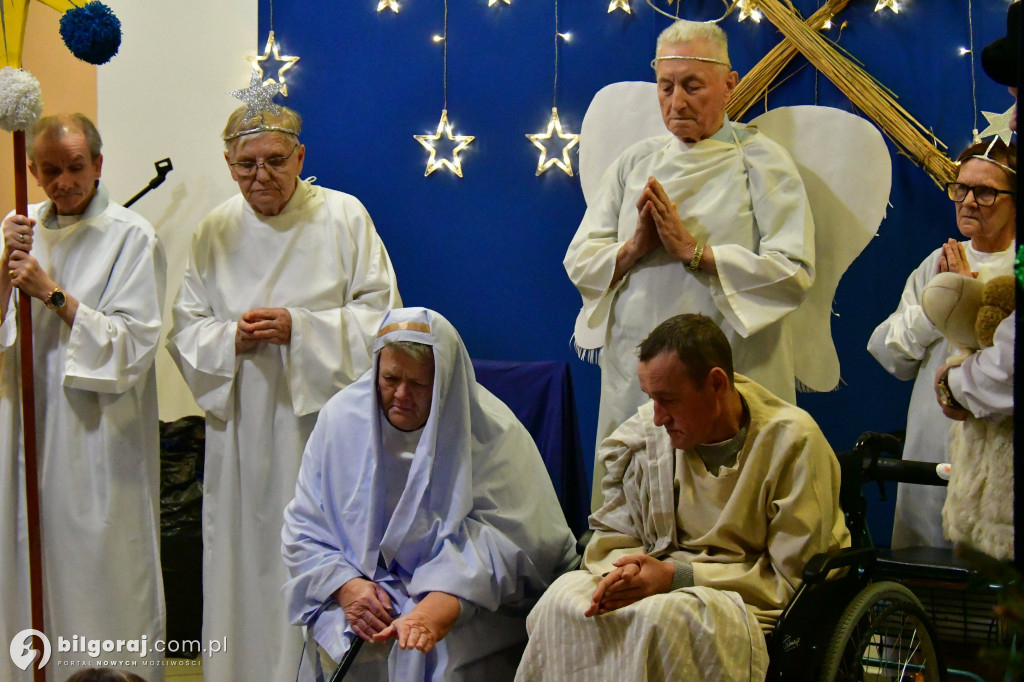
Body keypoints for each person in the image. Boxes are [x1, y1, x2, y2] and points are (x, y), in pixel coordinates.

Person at [167, 104, 401, 681]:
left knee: (325, 548)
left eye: (275, 161)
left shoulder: (344, 217)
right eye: (246, 165)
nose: (261, 176)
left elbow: (384, 317)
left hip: (322, 430)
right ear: (227, 165)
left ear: (301, 156)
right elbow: (186, 329)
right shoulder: (214, 230)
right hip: (243, 433)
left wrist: (303, 329)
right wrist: (230, 339)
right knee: (246, 564)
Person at [564, 19, 815, 509]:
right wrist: (634, 248)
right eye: (666, 86)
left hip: (731, 367)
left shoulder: (762, 162)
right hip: (636, 370)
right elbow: (580, 262)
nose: (676, 102)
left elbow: (793, 271)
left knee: (727, 503)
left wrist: (696, 253)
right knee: (634, 501)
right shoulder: (633, 163)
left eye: (692, 86)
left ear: (729, 84)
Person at [517, 314, 849, 681]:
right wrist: (627, 571)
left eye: (668, 399)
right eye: (650, 399)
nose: (657, 418)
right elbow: (614, 537)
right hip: (659, 575)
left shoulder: (793, 443)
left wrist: (677, 576)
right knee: (560, 600)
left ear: (716, 384)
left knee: (659, 622)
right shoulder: (646, 436)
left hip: (741, 594)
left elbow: (790, 581)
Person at [282, 307, 577, 681]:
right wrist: (345, 586)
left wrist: (440, 603)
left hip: (465, 603)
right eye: (390, 379)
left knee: (436, 656)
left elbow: (526, 541)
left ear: (445, 382)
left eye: (419, 385)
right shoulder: (340, 420)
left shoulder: (492, 433)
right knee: (339, 643)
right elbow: (305, 523)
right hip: (361, 588)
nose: (401, 395)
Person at [0, 114, 166, 681]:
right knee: (27, 566)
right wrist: (5, 273)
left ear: (98, 164)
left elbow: (132, 346)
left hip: (95, 436)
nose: (63, 181)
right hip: (27, 431)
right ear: (32, 171)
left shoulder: (131, 237)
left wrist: (50, 293)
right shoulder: (19, 234)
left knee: (100, 570)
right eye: (50, 170)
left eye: (76, 167)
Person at [869, 139, 1016, 550]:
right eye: (961, 188)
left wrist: (967, 304)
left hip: (994, 450)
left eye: (985, 191)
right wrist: (940, 306)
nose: (968, 201)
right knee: (927, 574)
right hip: (931, 443)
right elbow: (888, 354)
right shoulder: (937, 262)